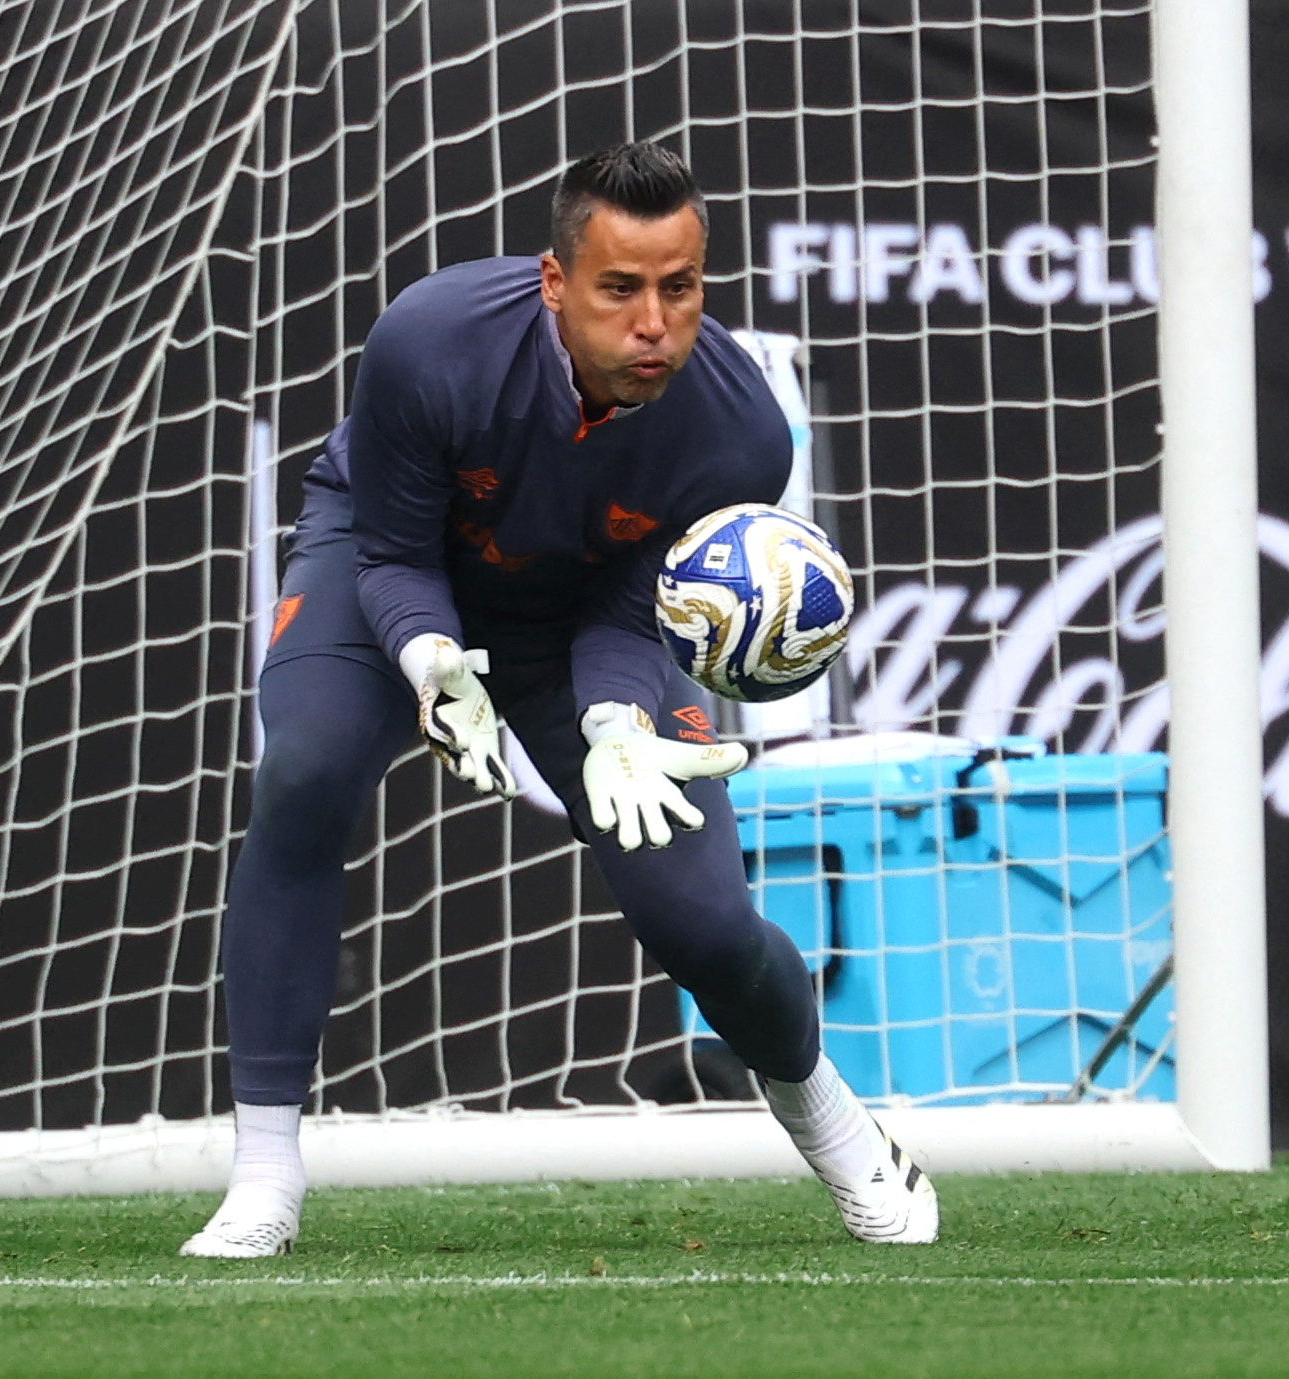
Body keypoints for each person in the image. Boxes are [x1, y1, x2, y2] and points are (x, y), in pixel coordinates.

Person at [181, 142, 937, 1257]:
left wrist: (613, 722)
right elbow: (389, 550)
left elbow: (630, 612)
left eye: (679, 288)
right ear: (554, 282)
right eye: (619, 288)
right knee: (307, 765)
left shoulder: (742, 434)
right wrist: (434, 661)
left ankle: (831, 1114)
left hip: (576, 617)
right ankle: (262, 1178)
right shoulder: (430, 339)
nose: (653, 324)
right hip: (394, 574)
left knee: (701, 918)